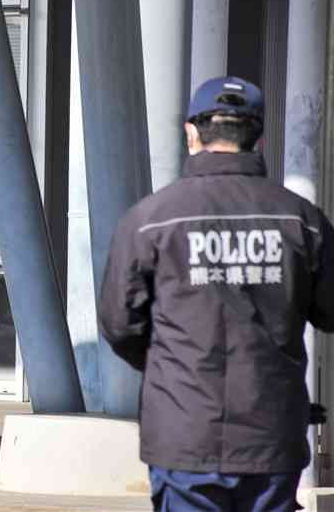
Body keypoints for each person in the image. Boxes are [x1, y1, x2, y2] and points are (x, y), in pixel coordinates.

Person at [98, 76, 334, 511]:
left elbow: (118, 324)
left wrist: (173, 368)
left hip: (183, 434)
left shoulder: (150, 219)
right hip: (271, 433)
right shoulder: (303, 220)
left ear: (192, 133)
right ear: (258, 139)